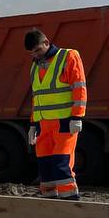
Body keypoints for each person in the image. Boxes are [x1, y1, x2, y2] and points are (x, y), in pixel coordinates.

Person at [25, 28, 86, 200]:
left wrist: (77, 117)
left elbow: (79, 88)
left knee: (62, 162)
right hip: (42, 124)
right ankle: (49, 201)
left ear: (46, 42)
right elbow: (36, 98)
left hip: (64, 122)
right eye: (32, 53)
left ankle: (70, 201)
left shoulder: (69, 56)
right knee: (45, 165)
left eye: (37, 50)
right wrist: (32, 124)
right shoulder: (34, 66)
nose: (35, 55)